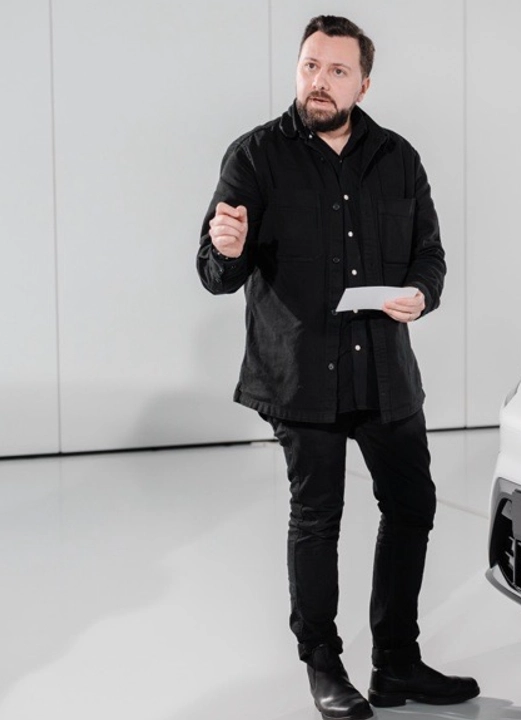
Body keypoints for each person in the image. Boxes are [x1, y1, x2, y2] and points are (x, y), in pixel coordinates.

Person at [196, 15, 478, 720]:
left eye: (336, 70)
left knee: (412, 506)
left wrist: (422, 293)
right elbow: (214, 273)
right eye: (310, 66)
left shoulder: (398, 158)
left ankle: (398, 664)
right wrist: (226, 247)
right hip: (300, 373)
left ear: (364, 81)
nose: (319, 82)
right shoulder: (255, 157)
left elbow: (430, 255)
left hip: (384, 368)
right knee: (317, 520)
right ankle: (324, 665)